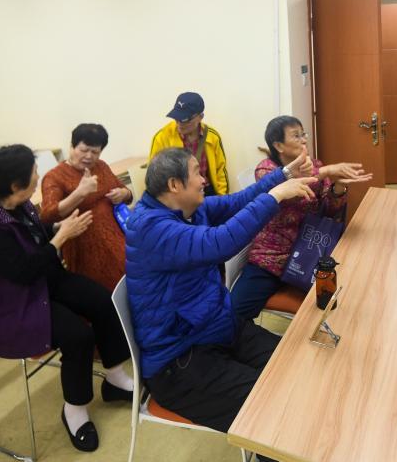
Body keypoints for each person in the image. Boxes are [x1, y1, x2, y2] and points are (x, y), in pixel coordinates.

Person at [125, 146, 315, 453]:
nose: (204, 179)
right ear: (174, 185)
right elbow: (220, 242)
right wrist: (275, 196)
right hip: (179, 360)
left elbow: (238, 201)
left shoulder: (190, 209)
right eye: (196, 173)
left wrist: (284, 174)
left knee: (299, 366)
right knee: (271, 406)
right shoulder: (151, 228)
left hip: (216, 329)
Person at [0, 145, 133, 453]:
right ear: (15, 185)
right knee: (78, 336)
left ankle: (115, 379)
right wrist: (61, 237)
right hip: (8, 305)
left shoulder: (14, 203)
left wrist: (56, 228)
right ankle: (74, 410)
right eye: (34, 172)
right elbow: (22, 272)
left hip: (39, 281)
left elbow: (33, 237)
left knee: (103, 301)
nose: (38, 176)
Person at [229, 115, 371, 320]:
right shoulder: (266, 169)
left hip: (310, 256)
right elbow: (285, 190)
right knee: (232, 314)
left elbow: (330, 212)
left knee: (344, 304)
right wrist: (326, 171)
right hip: (271, 259)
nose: (304, 139)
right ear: (278, 145)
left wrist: (339, 187)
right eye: (296, 136)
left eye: (303, 134)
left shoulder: (315, 165)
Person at [39, 124, 131, 292]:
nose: (89, 156)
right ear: (72, 146)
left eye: (95, 152)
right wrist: (79, 193)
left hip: (117, 234)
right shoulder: (54, 177)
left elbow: (126, 192)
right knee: (102, 290)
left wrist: (123, 193)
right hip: (83, 243)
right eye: (84, 150)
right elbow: (47, 216)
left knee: (130, 278)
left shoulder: (101, 166)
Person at [148, 91, 229, 195]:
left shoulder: (212, 137)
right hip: (177, 195)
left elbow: (220, 172)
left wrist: (222, 199)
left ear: (200, 117)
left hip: (206, 190)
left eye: (186, 120)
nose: (180, 124)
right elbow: (154, 176)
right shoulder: (162, 138)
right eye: (177, 118)